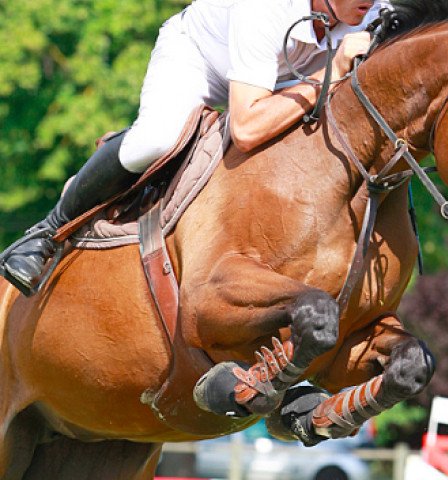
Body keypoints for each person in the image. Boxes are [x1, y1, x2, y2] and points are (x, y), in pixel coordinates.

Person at [0, 0, 390, 296]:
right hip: (201, 59)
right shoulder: (267, 7)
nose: (372, 1)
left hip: (284, 78)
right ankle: (46, 233)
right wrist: (332, 73)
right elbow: (247, 128)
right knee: (156, 139)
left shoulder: (373, 11)